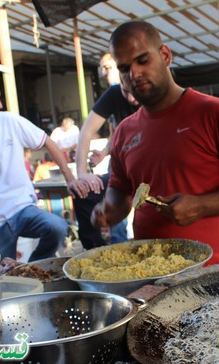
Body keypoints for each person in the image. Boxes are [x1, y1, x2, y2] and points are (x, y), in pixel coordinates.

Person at [92, 21, 219, 265]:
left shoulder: (216, 114)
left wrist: (202, 206)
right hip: (149, 275)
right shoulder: (124, 133)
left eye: (143, 60)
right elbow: (120, 192)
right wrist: (108, 212)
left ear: (165, 55)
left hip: (213, 273)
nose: (134, 74)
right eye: (124, 68)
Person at [0, 74, 89, 261]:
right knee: (3, 279)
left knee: (58, 227)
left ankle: (31, 269)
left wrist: (71, 180)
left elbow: (48, 142)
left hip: (23, 209)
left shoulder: (9, 121)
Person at [74, 52, 139, 249]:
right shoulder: (113, 93)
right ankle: (95, 252)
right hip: (121, 163)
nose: (130, 99)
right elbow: (87, 131)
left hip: (146, 166)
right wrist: (82, 173)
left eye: (133, 92)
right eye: (125, 91)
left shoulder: (153, 98)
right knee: (83, 192)